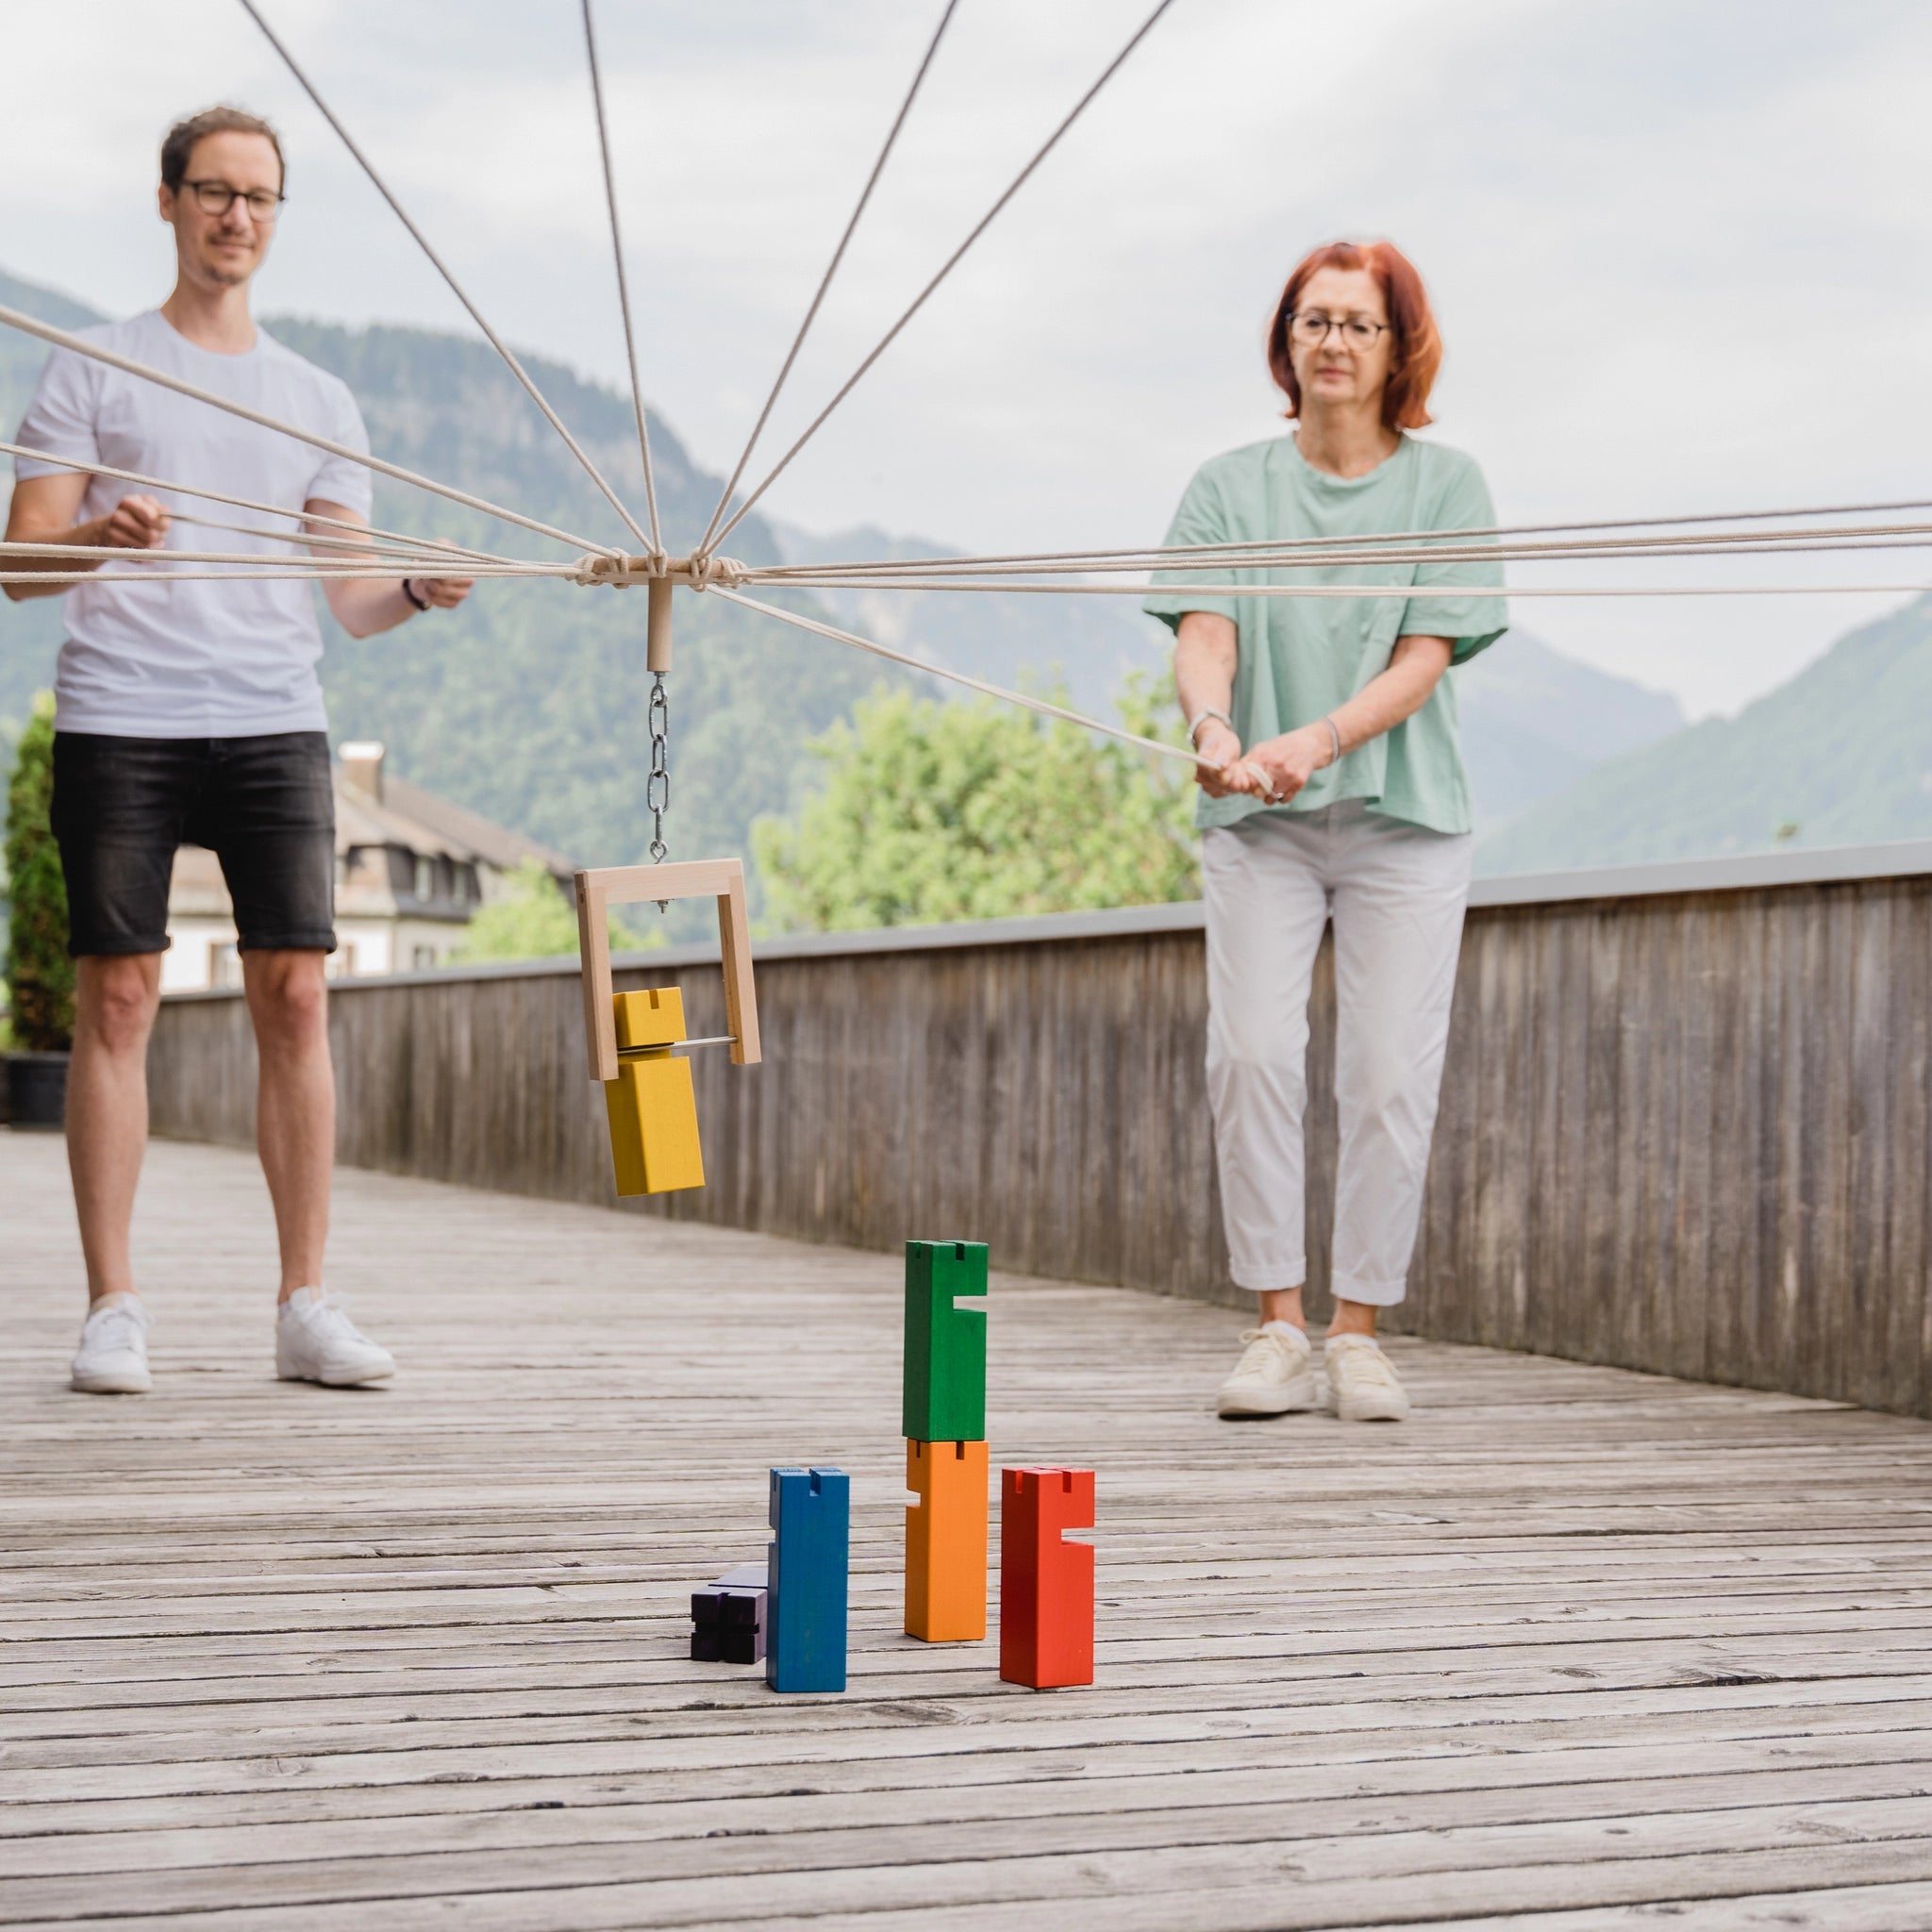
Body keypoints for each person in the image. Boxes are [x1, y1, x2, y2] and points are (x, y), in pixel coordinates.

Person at [4, 107, 474, 1395]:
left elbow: (354, 603)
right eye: (213, 192)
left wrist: (418, 595)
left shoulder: (318, 398)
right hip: (122, 712)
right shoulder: (90, 366)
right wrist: (101, 537)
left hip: (273, 715)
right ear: (167, 203)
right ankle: (114, 1309)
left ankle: (304, 1305)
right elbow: (15, 562)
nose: (236, 217)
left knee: (298, 996)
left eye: (259, 197)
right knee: (117, 999)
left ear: (276, 216)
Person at [1144, 239, 1505, 1424]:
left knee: (1388, 1073)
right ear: (1284, 341)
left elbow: (1422, 661)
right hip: (1259, 824)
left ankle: (1357, 1334)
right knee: (1248, 1054)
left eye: (1358, 323)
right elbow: (1205, 633)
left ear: (1398, 346)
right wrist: (1210, 724)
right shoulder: (1225, 486)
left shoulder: (1444, 487)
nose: (1332, 342)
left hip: (1403, 819)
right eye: (1313, 321)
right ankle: (1276, 1327)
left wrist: (1312, 741)